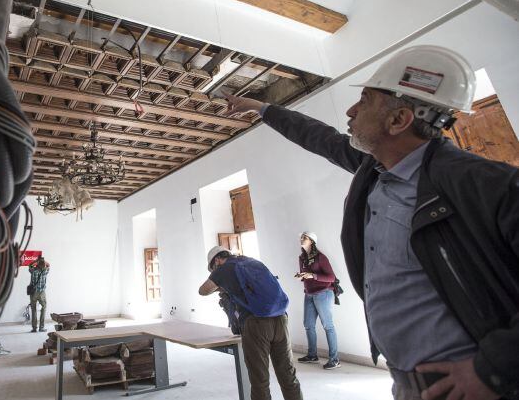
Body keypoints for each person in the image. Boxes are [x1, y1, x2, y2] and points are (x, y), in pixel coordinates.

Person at [225, 45, 518, 400]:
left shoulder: (488, 184)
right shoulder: (373, 173)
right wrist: (262, 108)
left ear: (398, 120)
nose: (350, 110)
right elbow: (318, 137)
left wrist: (496, 370)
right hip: (406, 383)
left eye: (364, 100)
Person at [199, 246, 302, 400]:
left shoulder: (222, 269)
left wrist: (219, 285)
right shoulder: (250, 261)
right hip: (280, 319)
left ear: (217, 260)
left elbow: (203, 290)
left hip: (256, 324)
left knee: (259, 379)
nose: (213, 270)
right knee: (288, 374)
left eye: (212, 268)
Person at [295, 231, 340, 369]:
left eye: (305, 238)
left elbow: (331, 278)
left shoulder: (321, 257)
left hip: (323, 293)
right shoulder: (302, 257)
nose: (301, 239)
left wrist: (312, 275)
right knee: (308, 324)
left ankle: (335, 359)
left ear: (312, 241)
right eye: (301, 237)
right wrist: (302, 275)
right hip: (309, 294)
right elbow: (307, 276)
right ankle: (312, 355)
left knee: (328, 325)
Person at [28, 256, 50, 333]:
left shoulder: (33, 270)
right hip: (42, 293)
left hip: (33, 293)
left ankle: (34, 328)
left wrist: (36, 260)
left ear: (37, 264)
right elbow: (48, 265)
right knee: (44, 308)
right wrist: (43, 261)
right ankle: (41, 327)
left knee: (33, 310)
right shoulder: (45, 271)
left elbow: (30, 265)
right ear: (43, 265)